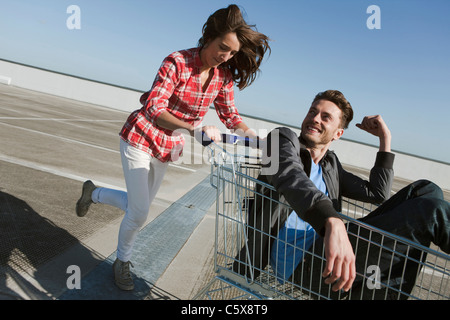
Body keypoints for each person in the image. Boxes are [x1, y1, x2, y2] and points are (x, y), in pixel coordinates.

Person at [75, 4, 270, 291]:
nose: (225, 56)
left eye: (231, 53)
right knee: (139, 213)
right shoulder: (177, 62)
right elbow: (154, 108)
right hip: (141, 137)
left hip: (167, 146)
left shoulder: (222, 77)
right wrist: (194, 130)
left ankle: (94, 192)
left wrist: (258, 141)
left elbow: (231, 117)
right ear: (209, 37)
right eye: (222, 47)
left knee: (136, 206)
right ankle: (122, 261)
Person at [233, 90, 449, 299]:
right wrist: (331, 221)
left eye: (325, 117)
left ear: (338, 133)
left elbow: (378, 193)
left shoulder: (330, 165)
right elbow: (291, 179)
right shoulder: (280, 140)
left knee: (427, 189)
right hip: (301, 260)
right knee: (431, 211)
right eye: (312, 112)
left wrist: (385, 138)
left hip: (328, 248)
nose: (315, 118)